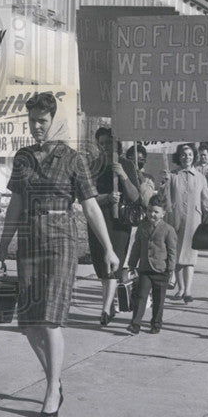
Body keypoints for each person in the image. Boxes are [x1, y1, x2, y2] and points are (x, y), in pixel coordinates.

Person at [0, 92, 118, 417]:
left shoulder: (73, 159)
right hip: (30, 239)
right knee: (30, 325)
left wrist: (108, 248)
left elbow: (91, 206)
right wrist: (2, 247)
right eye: (32, 121)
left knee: (49, 319)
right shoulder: (22, 158)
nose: (36, 127)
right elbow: (15, 206)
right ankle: (56, 379)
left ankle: (50, 391)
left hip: (61, 240)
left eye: (42, 121)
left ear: (54, 120)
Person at [89, 127, 136, 327]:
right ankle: (111, 302)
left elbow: (136, 197)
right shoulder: (93, 166)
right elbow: (85, 198)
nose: (106, 146)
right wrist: (106, 197)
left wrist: (124, 176)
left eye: (109, 142)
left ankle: (105, 309)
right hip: (98, 220)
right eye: (102, 143)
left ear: (117, 143)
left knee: (112, 265)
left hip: (119, 223)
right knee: (102, 266)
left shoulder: (126, 164)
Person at [163, 143, 208, 303]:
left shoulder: (200, 177)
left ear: (194, 157)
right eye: (184, 155)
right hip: (174, 217)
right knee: (176, 253)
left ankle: (188, 290)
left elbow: (206, 200)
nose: (187, 157)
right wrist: (164, 182)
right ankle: (181, 288)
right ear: (179, 157)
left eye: (190, 154)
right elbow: (164, 197)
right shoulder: (172, 175)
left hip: (193, 220)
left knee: (190, 254)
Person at [125, 194, 177, 335]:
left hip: (162, 270)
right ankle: (135, 324)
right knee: (140, 296)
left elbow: (172, 252)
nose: (152, 214)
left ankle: (156, 323)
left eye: (156, 212)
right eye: (149, 211)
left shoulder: (168, 230)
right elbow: (136, 247)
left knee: (159, 299)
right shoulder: (142, 227)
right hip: (145, 269)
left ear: (163, 214)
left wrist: (171, 271)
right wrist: (132, 264)